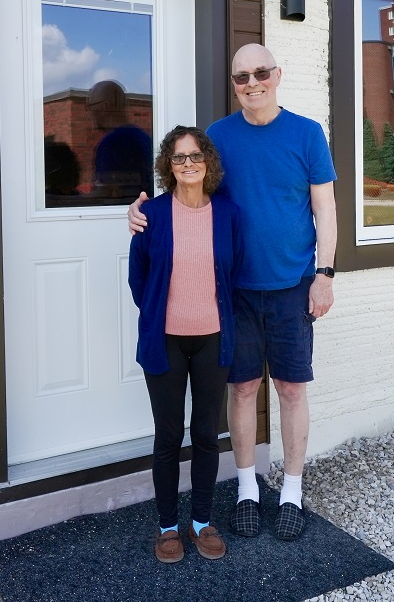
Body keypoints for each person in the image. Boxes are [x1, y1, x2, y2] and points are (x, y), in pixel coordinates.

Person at [129, 44, 337, 542]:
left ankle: (291, 493)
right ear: (235, 83)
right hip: (233, 295)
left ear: (277, 75)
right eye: (241, 76)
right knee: (242, 389)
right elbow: (191, 193)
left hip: (292, 287)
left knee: (290, 389)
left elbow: (325, 208)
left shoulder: (307, 134)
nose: (252, 82)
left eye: (260, 72)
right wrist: (141, 212)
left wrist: (325, 272)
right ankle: (247, 490)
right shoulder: (218, 137)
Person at [128, 125, 244, 564]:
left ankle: (200, 521)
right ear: (168, 166)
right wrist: (163, 312)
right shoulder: (152, 214)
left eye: (196, 156)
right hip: (166, 341)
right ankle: (167, 527)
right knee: (169, 437)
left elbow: (233, 272)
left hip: (213, 338)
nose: (189, 163)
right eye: (179, 157)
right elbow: (139, 279)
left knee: (206, 435)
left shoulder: (228, 213)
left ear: (208, 162)